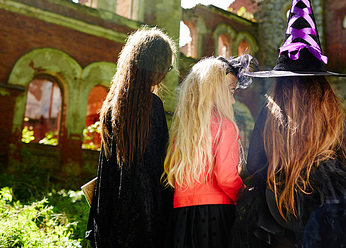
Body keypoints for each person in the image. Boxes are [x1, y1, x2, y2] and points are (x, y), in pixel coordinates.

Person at [231, 0, 346, 248]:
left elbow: (254, 165)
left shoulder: (271, 110)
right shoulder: (333, 111)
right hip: (331, 213)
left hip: (275, 211)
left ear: (280, 80)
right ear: (322, 80)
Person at [85, 27, 176, 248]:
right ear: (157, 68)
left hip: (112, 214)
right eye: (167, 67)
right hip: (146, 219)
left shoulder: (111, 106)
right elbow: (158, 170)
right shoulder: (153, 106)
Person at [163, 55, 257, 248]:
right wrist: (245, 195)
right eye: (231, 91)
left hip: (182, 214)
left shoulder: (184, 128)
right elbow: (225, 177)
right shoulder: (225, 126)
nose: (232, 101)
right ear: (216, 91)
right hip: (215, 214)